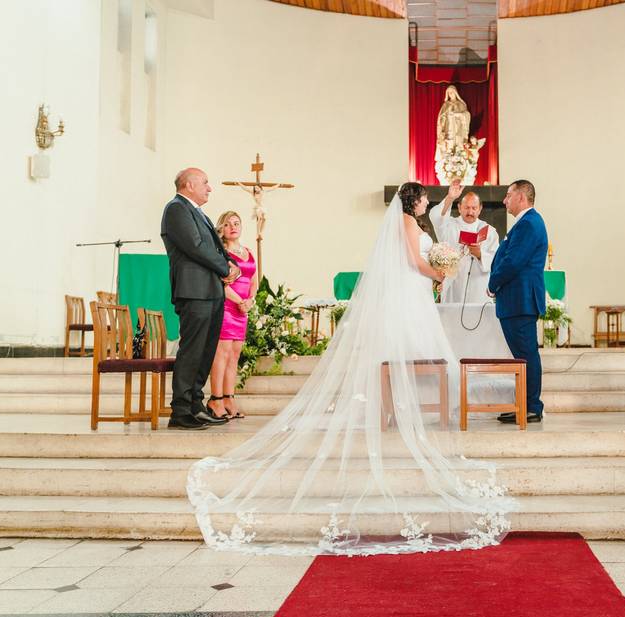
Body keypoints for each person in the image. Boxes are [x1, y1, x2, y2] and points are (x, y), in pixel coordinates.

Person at [187, 182, 514, 556]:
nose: (427, 202)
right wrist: (439, 274)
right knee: (413, 352)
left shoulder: (409, 221)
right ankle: (408, 408)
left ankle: (413, 406)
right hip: (412, 293)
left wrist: (437, 271)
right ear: (414, 200)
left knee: (422, 353)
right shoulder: (408, 222)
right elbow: (412, 261)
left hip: (415, 293)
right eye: (425, 198)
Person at [160, 168, 239, 430]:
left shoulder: (198, 212)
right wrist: (224, 268)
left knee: (205, 352)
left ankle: (196, 404)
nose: (209, 187)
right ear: (189, 184)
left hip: (211, 291)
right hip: (193, 291)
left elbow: (214, 247)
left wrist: (230, 263)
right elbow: (195, 246)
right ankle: (181, 411)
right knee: (193, 351)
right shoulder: (176, 209)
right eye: (205, 182)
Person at [488, 180, 548, 424]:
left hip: (519, 299)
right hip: (516, 300)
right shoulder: (525, 223)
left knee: (526, 355)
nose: (505, 200)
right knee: (521, 357)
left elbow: (513, 261)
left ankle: (532, 405)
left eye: (508, 195)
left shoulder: (529, 223)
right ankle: (524, 403)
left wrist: (493, 283)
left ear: (522, 197)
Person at [207, 211, 257, 420]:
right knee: (222, 353)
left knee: (235, 354)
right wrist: (239, 301)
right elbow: (219, 283)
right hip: (227, 306)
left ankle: (229, 398)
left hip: (243, 309)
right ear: (222, 229)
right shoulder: (221, 253)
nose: (233, 227)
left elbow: (254, 279)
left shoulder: (248, 251)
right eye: (228, 224)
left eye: (237, 223)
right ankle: (215, 400)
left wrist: (250, 301)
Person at [429, 182, 500, 304]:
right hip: (454, 285)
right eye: (467, 207)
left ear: (480, 209)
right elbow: (436, 217)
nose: (470, 212)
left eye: (474, 208)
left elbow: (497, 260)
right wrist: (450, 197)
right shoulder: (449, 226)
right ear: (460, 207)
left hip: (478, 286)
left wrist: (479, 254)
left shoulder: (489, 231)